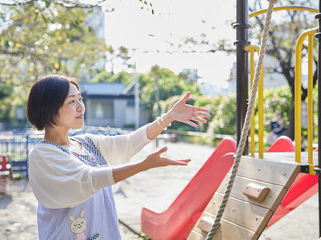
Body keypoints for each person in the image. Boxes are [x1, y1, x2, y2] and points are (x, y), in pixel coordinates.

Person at [26, 74, 210, 240]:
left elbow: (129, 143)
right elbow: (88, 179)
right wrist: (143, 165)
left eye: (80, 99)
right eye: (71, 102)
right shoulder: (42, 155)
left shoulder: (86, 142)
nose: (81, 107)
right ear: (49, 108)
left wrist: (168, 117)